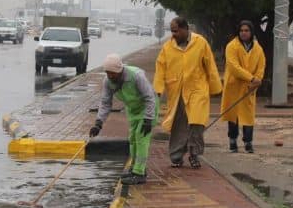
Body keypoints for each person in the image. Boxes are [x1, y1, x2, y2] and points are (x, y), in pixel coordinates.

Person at [154, 17, 222, 169]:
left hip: (197, 89)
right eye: (172, 31)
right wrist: (158, 90)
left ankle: (194, 154)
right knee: (179, 124)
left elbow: (210, 65)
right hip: (176, 91)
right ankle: (176, 156)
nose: (173, 34)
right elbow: (160, 69)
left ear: (185, 29)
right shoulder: (167, 47)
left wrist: (215, 87)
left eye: (176, 31)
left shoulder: (200, 43)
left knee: (196, 123)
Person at [89, 53, 157, 185]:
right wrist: (98, 123)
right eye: (108, 73)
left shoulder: (136, 76)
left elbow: (150, 97)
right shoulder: (108, 82)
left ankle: (139, 173)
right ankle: (134, 168)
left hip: (147, 107)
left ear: (120, 70)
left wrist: (148, 119)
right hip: (133, 109)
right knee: (132, 138)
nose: (110, 76)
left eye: (113, 73)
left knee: (141, 136)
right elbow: (105, 103)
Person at [221, 20, 266, 153]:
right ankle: (232, 141)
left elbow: (261, 65)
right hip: (234, 85)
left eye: (246, 30)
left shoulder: (258, 48)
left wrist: (257, 80)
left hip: (249, 87)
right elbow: (234, 67)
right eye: (241, 31)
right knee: (233, 114)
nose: (244, 33)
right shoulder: (231, 46)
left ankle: (248, 142)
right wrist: (251, 78)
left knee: (248, 115)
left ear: (251, 32)